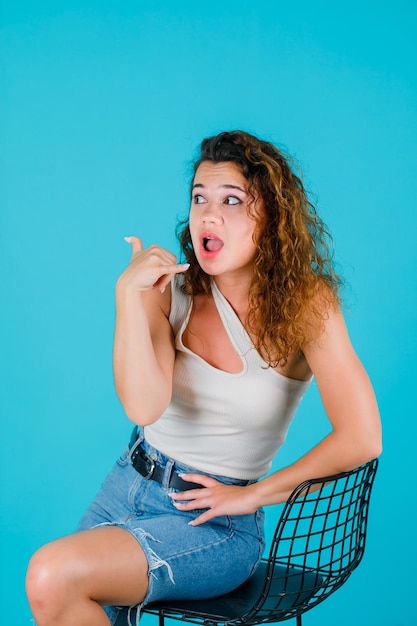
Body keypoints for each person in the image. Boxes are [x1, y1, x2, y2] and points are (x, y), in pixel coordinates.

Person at [26, 130, 382, 626]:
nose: (208, 215)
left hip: (215, 524)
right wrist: (128, 298)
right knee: (57, 596)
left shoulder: (306, 305)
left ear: (272, 219)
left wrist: (251, 496)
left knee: (52, 574)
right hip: (128, 484)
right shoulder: (167, 290)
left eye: (232, 200)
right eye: (199, 199)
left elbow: (362, 438)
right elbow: (143, 407)